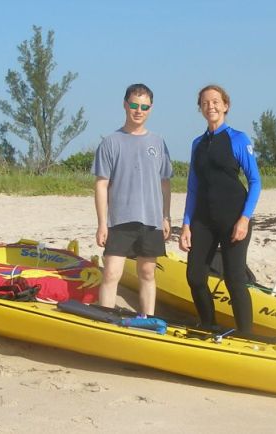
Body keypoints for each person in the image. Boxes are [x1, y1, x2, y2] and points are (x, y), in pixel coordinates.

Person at [179, 84, 261, 333]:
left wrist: (244, 219)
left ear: (225, 105)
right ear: (200, 109)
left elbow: (255, 181)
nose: (210, 106)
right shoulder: (197, 144)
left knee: (235, 280)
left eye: (215, 101)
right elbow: (193, 187)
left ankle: (246, 335)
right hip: (204, 220)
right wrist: (186, 224)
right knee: (194, 276)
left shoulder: (238, 139)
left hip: (234, 218)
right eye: (205, 102)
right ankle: (208, 324)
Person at [92, 83, 172, 316]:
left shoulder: (158, 143)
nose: (139, 111)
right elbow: (101, 184)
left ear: (150, 109)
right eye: (134, 105)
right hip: (120, 221)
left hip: (151, 221)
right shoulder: (110, 142)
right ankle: (104, 319)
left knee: (147, 273)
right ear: (125, 105)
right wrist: (101, 223)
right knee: (111, 273)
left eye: (144, 107)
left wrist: (166, 217)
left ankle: (147, 320)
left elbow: (165, 183)